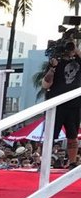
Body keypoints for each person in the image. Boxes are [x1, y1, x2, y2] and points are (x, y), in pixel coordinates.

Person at [42, 41, 81, 169]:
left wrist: (75, 49)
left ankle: (72, 162)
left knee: (73, 135)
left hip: (74, 104)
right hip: (56, 105)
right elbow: (46, 84)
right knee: (50, 135)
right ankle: (45, 161)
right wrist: (53, 68)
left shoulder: (78, 61)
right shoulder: (55, 63)